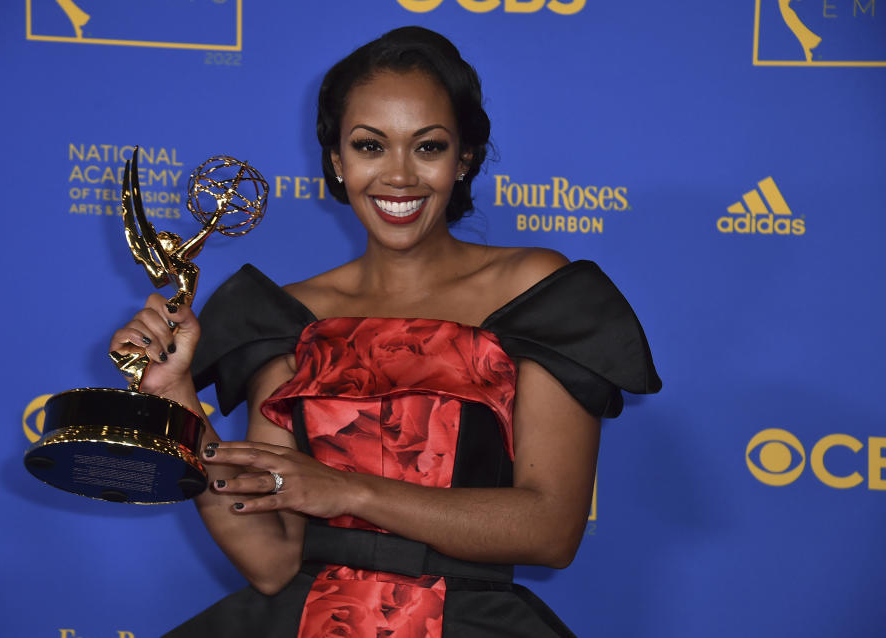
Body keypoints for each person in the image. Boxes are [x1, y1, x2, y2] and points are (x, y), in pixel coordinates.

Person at [108, 26, 660, 638]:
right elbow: (269, 561)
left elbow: (552, 530)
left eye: (428, 147)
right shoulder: (286, 316)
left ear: (464, 159)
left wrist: (349, 493)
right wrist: (175, 396)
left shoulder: (537, 292)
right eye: (371, 146)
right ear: (338, 162)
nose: (399, 176)